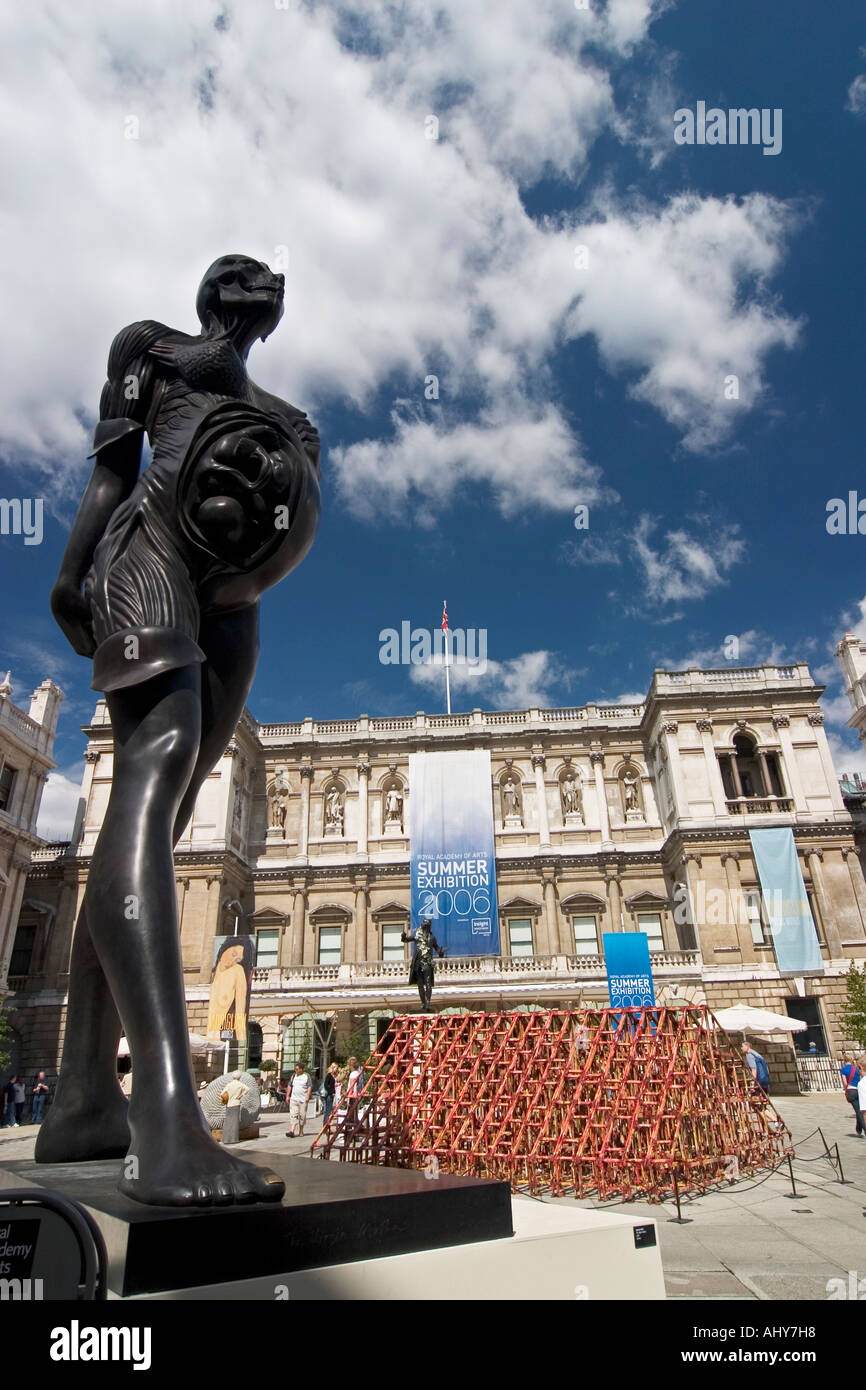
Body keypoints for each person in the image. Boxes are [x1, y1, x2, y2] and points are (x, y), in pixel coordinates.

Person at [401, 918, 446, 1012]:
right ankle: (423, 1003)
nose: (423, 925)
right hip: (418, 963)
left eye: (425, 924)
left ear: (428, 926)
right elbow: (406, 940)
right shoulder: (417, 935)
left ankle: (428, 1003)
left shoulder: (432, 938)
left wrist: (441, 953)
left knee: (428, 983)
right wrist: (403, 936)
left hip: (427, 963)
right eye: (423, 923)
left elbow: (437, 949)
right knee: (420, 985)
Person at [220, 1071, 248, 1146]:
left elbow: (222, 1093)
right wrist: (241, 1095)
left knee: (228, 1121)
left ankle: (225, 1139)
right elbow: (247, 1089)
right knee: (234, 1122)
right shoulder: (240, 1084)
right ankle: (233, 1139)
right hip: (236, 1103)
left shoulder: (229, 1084)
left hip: (229, 1103)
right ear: (239, 1077)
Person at [840, 1051, 863, 1136]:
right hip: (859, 1090)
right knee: (860, 1110)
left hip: (851, 1090)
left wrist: (846, 1091)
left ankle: (863, 1128)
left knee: (858, 1111)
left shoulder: (843, 1069)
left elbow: (845, 1083)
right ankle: (858, 1129)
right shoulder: (857, 1068)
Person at [286, 1063, 312, 1138]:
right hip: (294, 1099)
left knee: (302, 1116)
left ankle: (301, 1130)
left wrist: (307, 1096)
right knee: (293, 1115)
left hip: (303, 1099)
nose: (296, 1070)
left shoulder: (306, 1076)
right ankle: (292, 1131)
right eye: (295, 1069)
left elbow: (309, 1086)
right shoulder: (293, 1076)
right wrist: (287, 1096)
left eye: (297, 1069)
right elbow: (289, 1086)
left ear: (301, 1069)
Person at [322, 1063, 338, 1128]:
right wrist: (330, 1092)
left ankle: (326, 1124)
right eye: (336, 1068)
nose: (336, 1069)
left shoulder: (334, 1075)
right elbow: (326, 1085)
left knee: (329, 1110)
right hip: (329, 1095)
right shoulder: (329, 1075)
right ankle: (325, 1125)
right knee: (327, 1111)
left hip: (332, 1094)